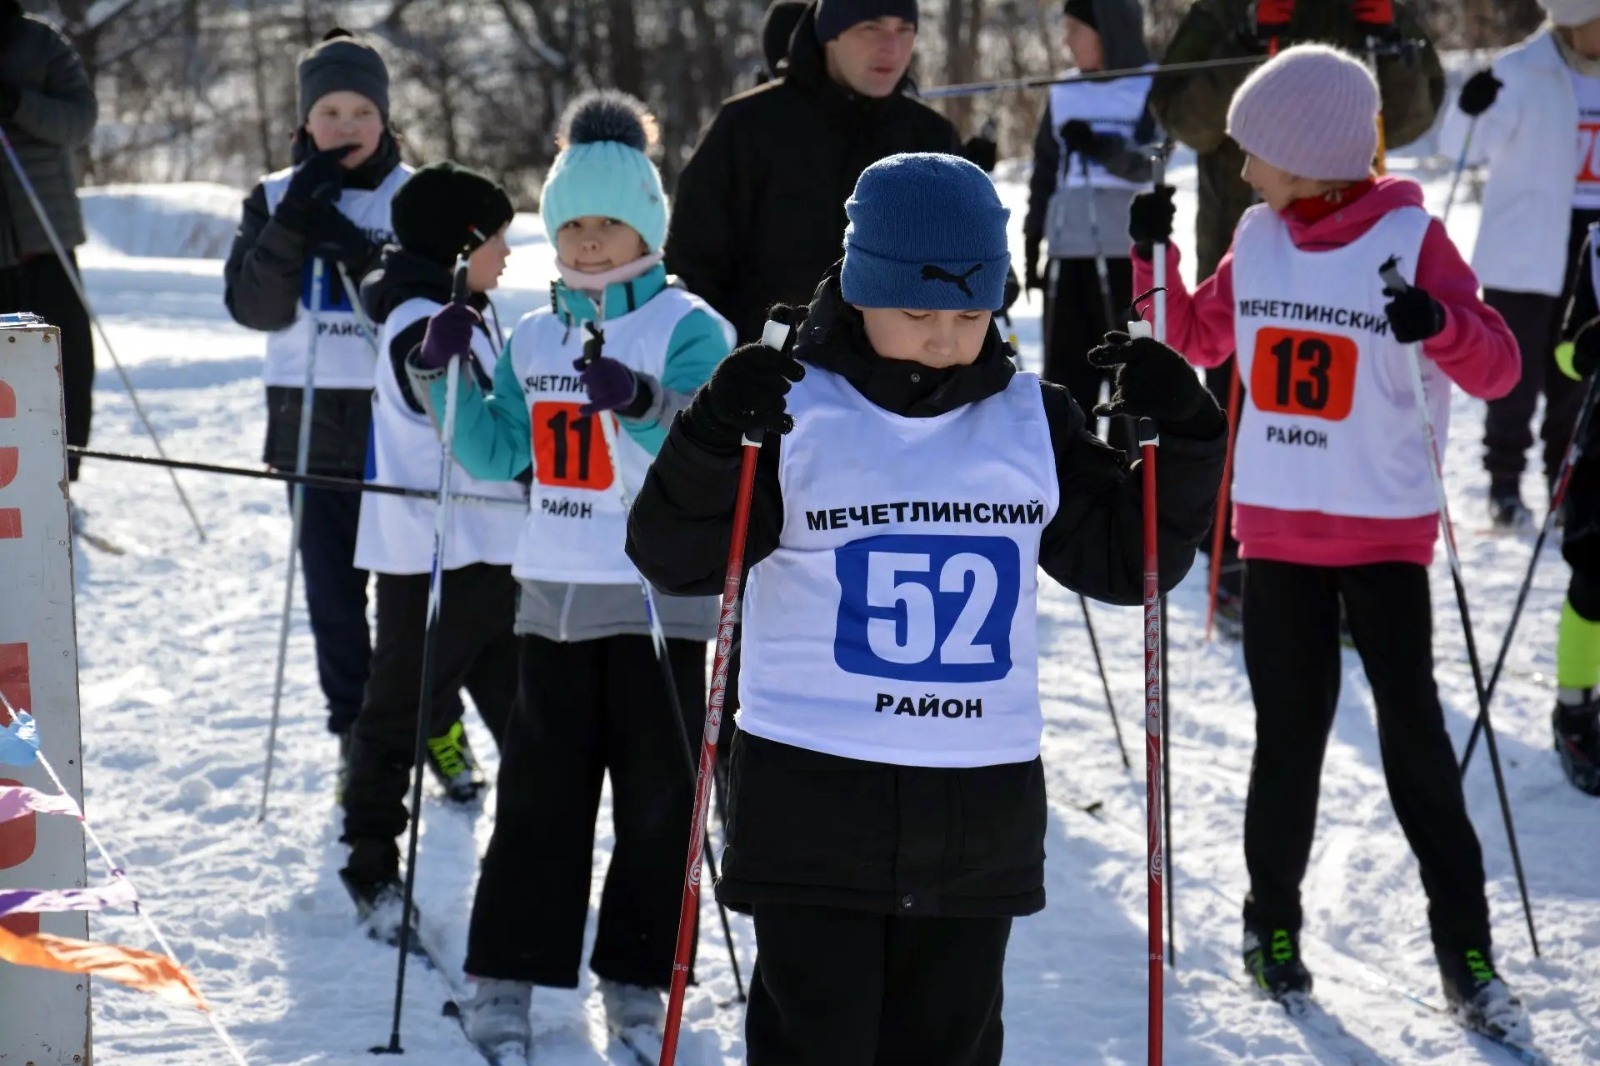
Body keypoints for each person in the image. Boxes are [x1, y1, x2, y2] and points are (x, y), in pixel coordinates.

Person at [627, 152, 1226, 1066]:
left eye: (971, 311)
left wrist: (1185, 435)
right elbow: (673, 556)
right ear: (861, 289)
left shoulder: (1035, 419)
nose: (946, 335)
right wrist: (713, 432)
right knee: (813, 1044)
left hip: (974, 818)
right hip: (814, 808)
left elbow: (1131, 563)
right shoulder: (795, 413)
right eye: (917, 311)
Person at [1128, 45, 1529, 1040]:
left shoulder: (1408, 232)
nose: (1240, 170)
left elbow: (1497, 368)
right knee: (1288, 744)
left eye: (1253, 152)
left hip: (1383, 531)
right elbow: (1190, 339)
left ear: (1308, 155)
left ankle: (1464, 949)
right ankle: (1271, 929)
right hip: (1275, 535)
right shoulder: (1257, 237)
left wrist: (1435, 320)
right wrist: (1150, 259)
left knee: (1415, 750)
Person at [401, 92, 734, 1057]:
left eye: (609, 223)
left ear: (647, 226)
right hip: (551, 600)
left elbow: (715, 447)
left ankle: (637, 977)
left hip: (660, 605)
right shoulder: (536, 335)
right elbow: (498, 453)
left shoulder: (686, 325)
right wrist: (444, 376)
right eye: (572, 224)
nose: (589, 242)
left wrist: (637, 400)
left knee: (657, 804)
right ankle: (504, 975)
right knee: (541, 801)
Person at [1147, 0, 1443, 621]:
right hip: (1248, 249)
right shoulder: (1224, 12)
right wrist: (1250, 38)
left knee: (1343, 418)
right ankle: (1235, 562)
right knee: (1244, 418)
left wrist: (1389, 41)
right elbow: (1181, 116)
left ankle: (1352, 574)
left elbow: (1415, 115)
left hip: (1356, 260)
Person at [224, 29, 447, 794]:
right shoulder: (273, 193)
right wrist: (292, 228)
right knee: (332, 592)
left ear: (384, 117)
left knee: (409, 587)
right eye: (329, 110)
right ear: (304, 120)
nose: (346, 125)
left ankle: (434, 722)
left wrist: (360, 251)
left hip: (399, 420)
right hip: (309, 417)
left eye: (361, 109)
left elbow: (439, 311)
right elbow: (253, 309)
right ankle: (355, 728)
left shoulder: (417, 193)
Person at [336, 162, 524, 930]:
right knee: (396, 714)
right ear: (462, 243)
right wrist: (432, 365)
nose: (509, 253)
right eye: (499, 239)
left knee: (530, 720)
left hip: (492, 550)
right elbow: (427, 385)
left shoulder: (465, 306)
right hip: (433, 558)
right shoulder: (422, 316)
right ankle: (371, 864)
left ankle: (530, 858)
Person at [667, 0, 967, 344]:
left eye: (905, 30)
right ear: (829, 34)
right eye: (870, 27)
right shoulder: (745, 129)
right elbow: (693, 269)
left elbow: (973, 273)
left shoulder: (932, 137)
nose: (892, 47)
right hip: (771, 380)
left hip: (900, 386)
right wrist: (728, 374)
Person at [1441, 0, 1600, 529]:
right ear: (1573, 22)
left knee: (1575, 373)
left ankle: (1567, 487)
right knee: (1514, 374)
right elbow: (1458, 147)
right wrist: (1470, 108)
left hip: (1590, 244)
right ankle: (1504, 488)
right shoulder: (1518, 69)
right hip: (1523, 249)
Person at [1023, 0, 1156, 451]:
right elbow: (1044, 171)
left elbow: (1149, 165)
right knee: (1066, 378)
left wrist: (1100, 147)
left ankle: (1132, 476)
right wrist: (1032, 237)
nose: (1066, 41)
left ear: (1108, 32)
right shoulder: (1062, 92)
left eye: (1075, 29)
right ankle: (1067, 479)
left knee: (1127, 378)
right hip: (1068, 256)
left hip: (1127, 257)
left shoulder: (1146, 87)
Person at [0, 0, 97, 484]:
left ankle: (62, 482)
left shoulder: (38, 42)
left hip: (43, 242)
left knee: (65, 370)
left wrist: (17, 103)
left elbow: (79, 121)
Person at [1548, 228, 1600, 795]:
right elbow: (1563, 356)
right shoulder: (1598, 247)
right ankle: (1577, 712)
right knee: (1592, 582)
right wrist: (1583, 350)